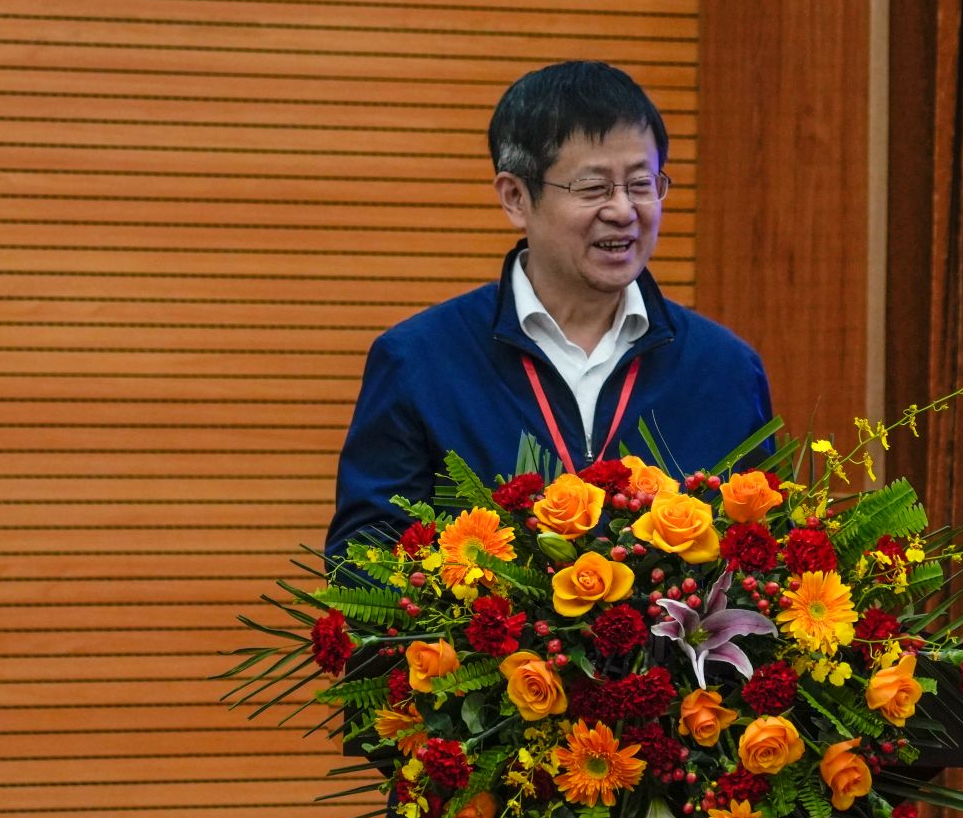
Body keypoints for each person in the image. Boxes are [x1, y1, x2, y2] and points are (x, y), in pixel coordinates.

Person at [327, 60, 773, 555]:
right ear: (516, 197)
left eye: (641, 184)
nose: (623, 210)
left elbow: (764, 558)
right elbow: (363, 562)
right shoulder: (420, 361)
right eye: (593, 187)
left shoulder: (725, 369)